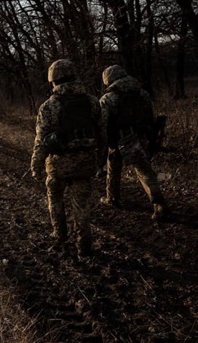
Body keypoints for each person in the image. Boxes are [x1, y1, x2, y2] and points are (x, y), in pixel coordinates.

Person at [30, 59, 105, 257]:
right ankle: (84, 244)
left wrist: (36, 165)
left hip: (57, 165)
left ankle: (60, 235)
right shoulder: (92, 102)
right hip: (85, 163)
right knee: (81, 205)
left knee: (55, 199)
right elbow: (102, 133)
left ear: (53, 80)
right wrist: (100, 159)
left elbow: (41, 141)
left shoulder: (48, 107)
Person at [99, 64, 169, 220]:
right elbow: (150, 117)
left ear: (109, 80)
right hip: (142, 137)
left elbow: (102, 125)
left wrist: (103, 144)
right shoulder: (142, 94)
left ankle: (159, 205)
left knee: (115, 168)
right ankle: (114, 198)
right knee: (143, 170)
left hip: (120, 139)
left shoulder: (108, 99)